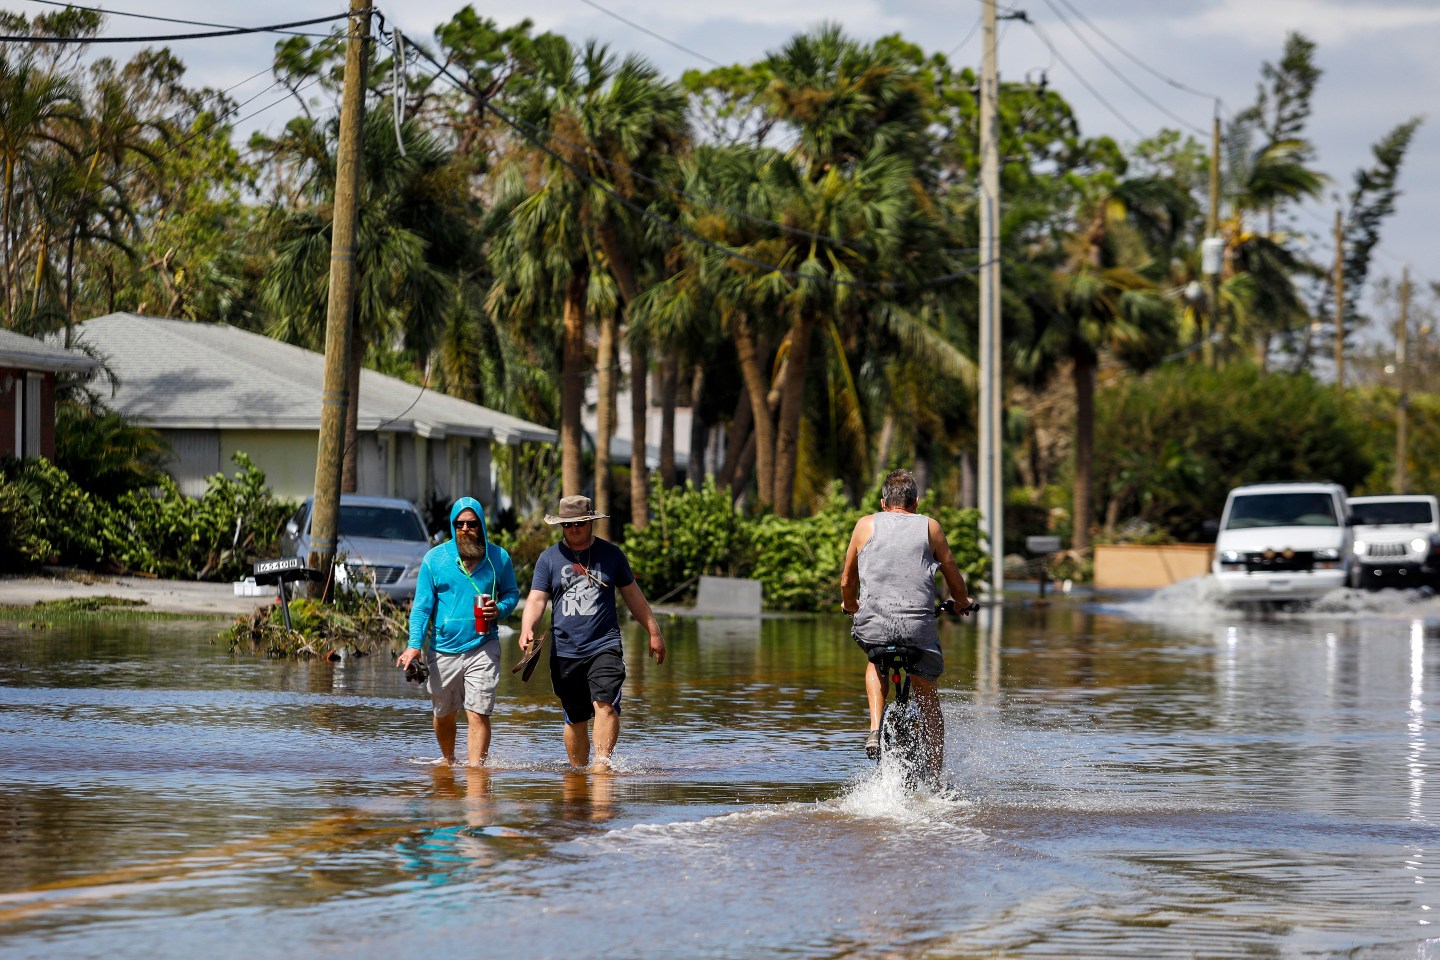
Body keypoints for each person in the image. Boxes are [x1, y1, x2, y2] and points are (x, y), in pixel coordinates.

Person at [840, 469, 973, 776]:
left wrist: (850, 606)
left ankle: (874, 727)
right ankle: (936, 779)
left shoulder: (864, 525)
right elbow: (952, 574)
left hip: (874, 624)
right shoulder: (930, 527)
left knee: (875, 658)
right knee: (927, 696)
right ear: (916, 503)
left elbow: (848, 579)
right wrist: (962, 602)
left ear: (884, 503)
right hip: (917, 628)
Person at [518, 495, 666, 770]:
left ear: (591, 523)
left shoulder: (612, 555)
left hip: (604, 644)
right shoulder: (548, 559)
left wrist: (654, 632)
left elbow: (633, 595)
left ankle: (601, 768)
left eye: (579, 523)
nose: (574, 529)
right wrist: (528, 628)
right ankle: (577, 778)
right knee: (575, 718)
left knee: (605, 703)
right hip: (564, 650)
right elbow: (537, 599)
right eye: (568, 524)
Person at [398, 497, 519, 766]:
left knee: (478, 712)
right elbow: (421, 607)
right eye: (459, 524)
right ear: (453, 526)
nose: (465, 528)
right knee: (444, 714)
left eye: (471, 523)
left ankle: (476, 773)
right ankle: (449, 762)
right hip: (442, 648)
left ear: (481, 525)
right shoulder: (435, 560)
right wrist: (414, 645)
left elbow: (512, 593)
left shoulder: (499, 558)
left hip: (483, 645)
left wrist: (499, 609)